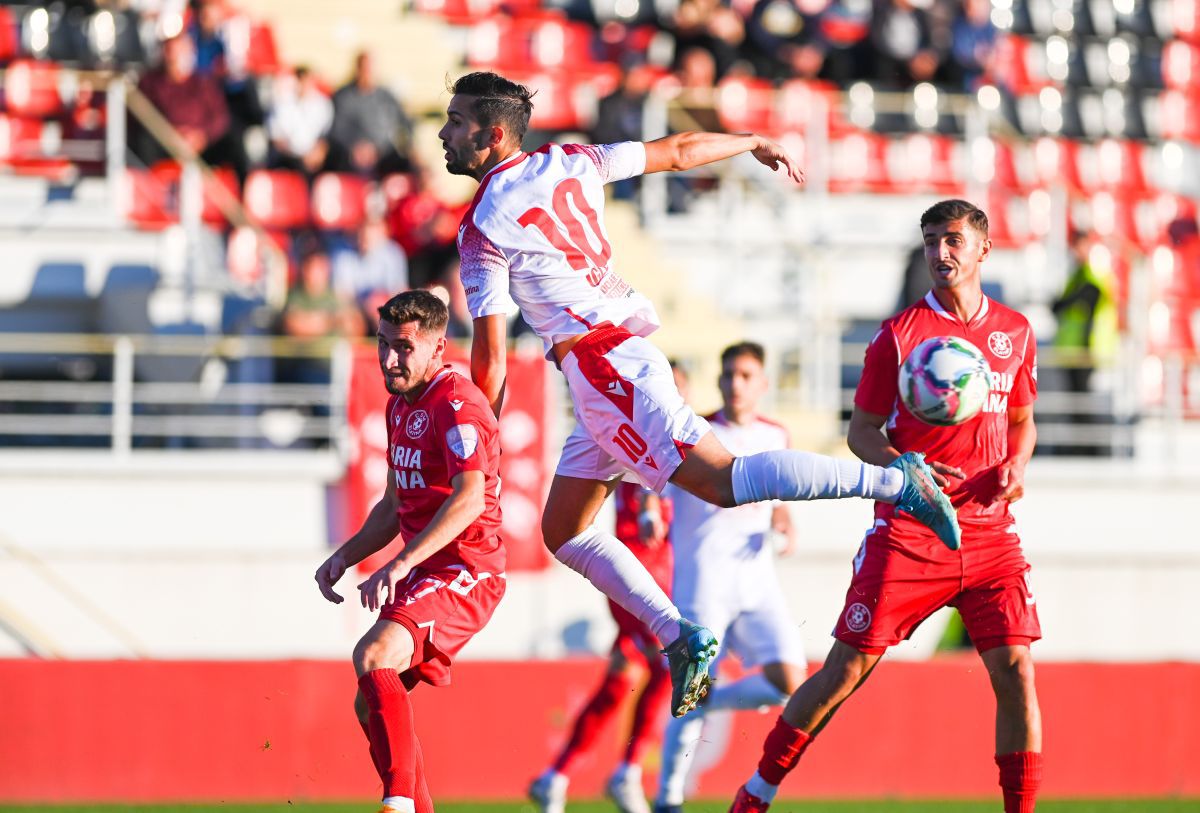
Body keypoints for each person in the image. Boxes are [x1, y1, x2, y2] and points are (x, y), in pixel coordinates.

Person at [440, 70, 959, 721]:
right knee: (564, 528)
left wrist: (472, 455)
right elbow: (677, 151)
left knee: (720, 479)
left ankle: (898, 484)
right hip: (609, 360)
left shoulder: (482, 228)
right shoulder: (570, 158)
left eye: (456, 122)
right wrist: (750, 140)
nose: (443, 133)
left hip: (604, 366)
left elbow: (489, 357)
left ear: (490, 134)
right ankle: (680, 635)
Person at [729, 199, 1043, 813]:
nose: (940, 253)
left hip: (989, 535)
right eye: (930, 242)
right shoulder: (900, 337)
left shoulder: (1015, 333)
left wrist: (1017, 463)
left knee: (1017, 671)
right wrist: (901, 463)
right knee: (846, 670)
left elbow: (1024, 421)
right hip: (910, 531)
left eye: (952, 240)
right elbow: (862, 432)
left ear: (983, 248)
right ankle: (758, 789)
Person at [313, 289, 506, 813]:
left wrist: (400, 564)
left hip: (468, 568)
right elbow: (395, 504)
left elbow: (469, 501)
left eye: (402, 348)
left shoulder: (458, 405)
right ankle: (416, 806)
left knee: (372, 655)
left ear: (438, 347)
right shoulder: (400, 406)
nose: (389, 359)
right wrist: (347, 555)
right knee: (368, 699)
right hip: (429, 570)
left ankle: (397, 805)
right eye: (382, 345)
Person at [528, 362, 689, 813]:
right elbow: (644, 485)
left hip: (669, 577)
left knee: (622, 679)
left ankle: (556, 776)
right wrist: (648, 508)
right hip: (631, 573)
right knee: (666, 665)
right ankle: (628, 771)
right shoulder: (632, 432)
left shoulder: (686, 435)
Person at [654, 342, 806, 813]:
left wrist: (783, 527)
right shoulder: (694, 431)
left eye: (745, 376)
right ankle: (668, 797)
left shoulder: (775, 435)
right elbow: (650, 482)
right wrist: (647, 513)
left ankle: (717, 701)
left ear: (762, 384)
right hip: (703, 582)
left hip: (756, 581)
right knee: (690, 689)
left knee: (791, 682)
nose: (734, 384)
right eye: (728, 375)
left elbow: (781, 508)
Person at [328, 51, 413, 177]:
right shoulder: (343, 97)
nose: (367, 72)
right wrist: (355, 147)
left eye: (370, 68)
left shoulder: (387, 97)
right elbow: (337, 129)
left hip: (384, 153)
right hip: (351, 155)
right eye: (364, 68)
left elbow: (405, 123)